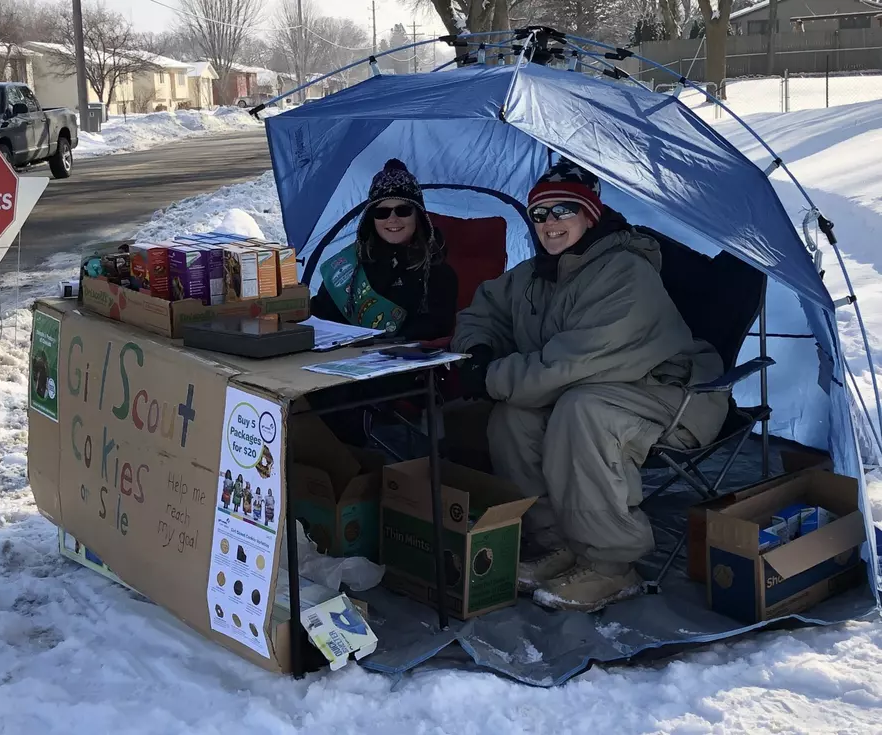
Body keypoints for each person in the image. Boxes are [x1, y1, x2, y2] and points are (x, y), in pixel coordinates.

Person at [452, 158, 729, 613]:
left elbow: (568, 367)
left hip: (673, 395)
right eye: (540, 214)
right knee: (513, 417)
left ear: (590, 214)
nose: (549, 224)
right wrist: (478, 350)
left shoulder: (624, 272)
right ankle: (560, 543)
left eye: (563, 210)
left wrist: (490, 376)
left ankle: (612, 566)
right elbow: (482, 310)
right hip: (590, 387)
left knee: (582, 412)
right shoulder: (538, 274)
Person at [311, 158, 459, 341]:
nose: (392, 219)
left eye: (403, 210)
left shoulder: (438, 272)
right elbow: (321, 317)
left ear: (418, 215)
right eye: (382, 212)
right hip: (342, 359)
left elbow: (437, 326)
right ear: (371, 219)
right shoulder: (351, 265)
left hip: (404, 362)